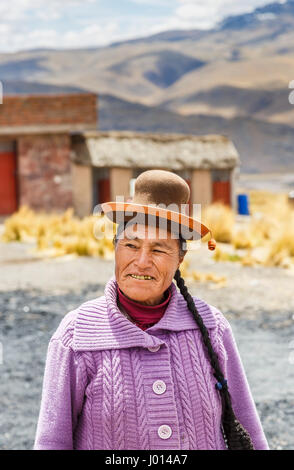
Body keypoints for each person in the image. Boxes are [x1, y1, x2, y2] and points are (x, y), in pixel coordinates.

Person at [34, 170, 269, 450]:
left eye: (158, 250)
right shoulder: (78, 334)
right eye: (131, 245)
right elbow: (52, 442)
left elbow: (248, 430)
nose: (141, 261)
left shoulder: (211, 326)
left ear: (180, 258)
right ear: (115, 248)